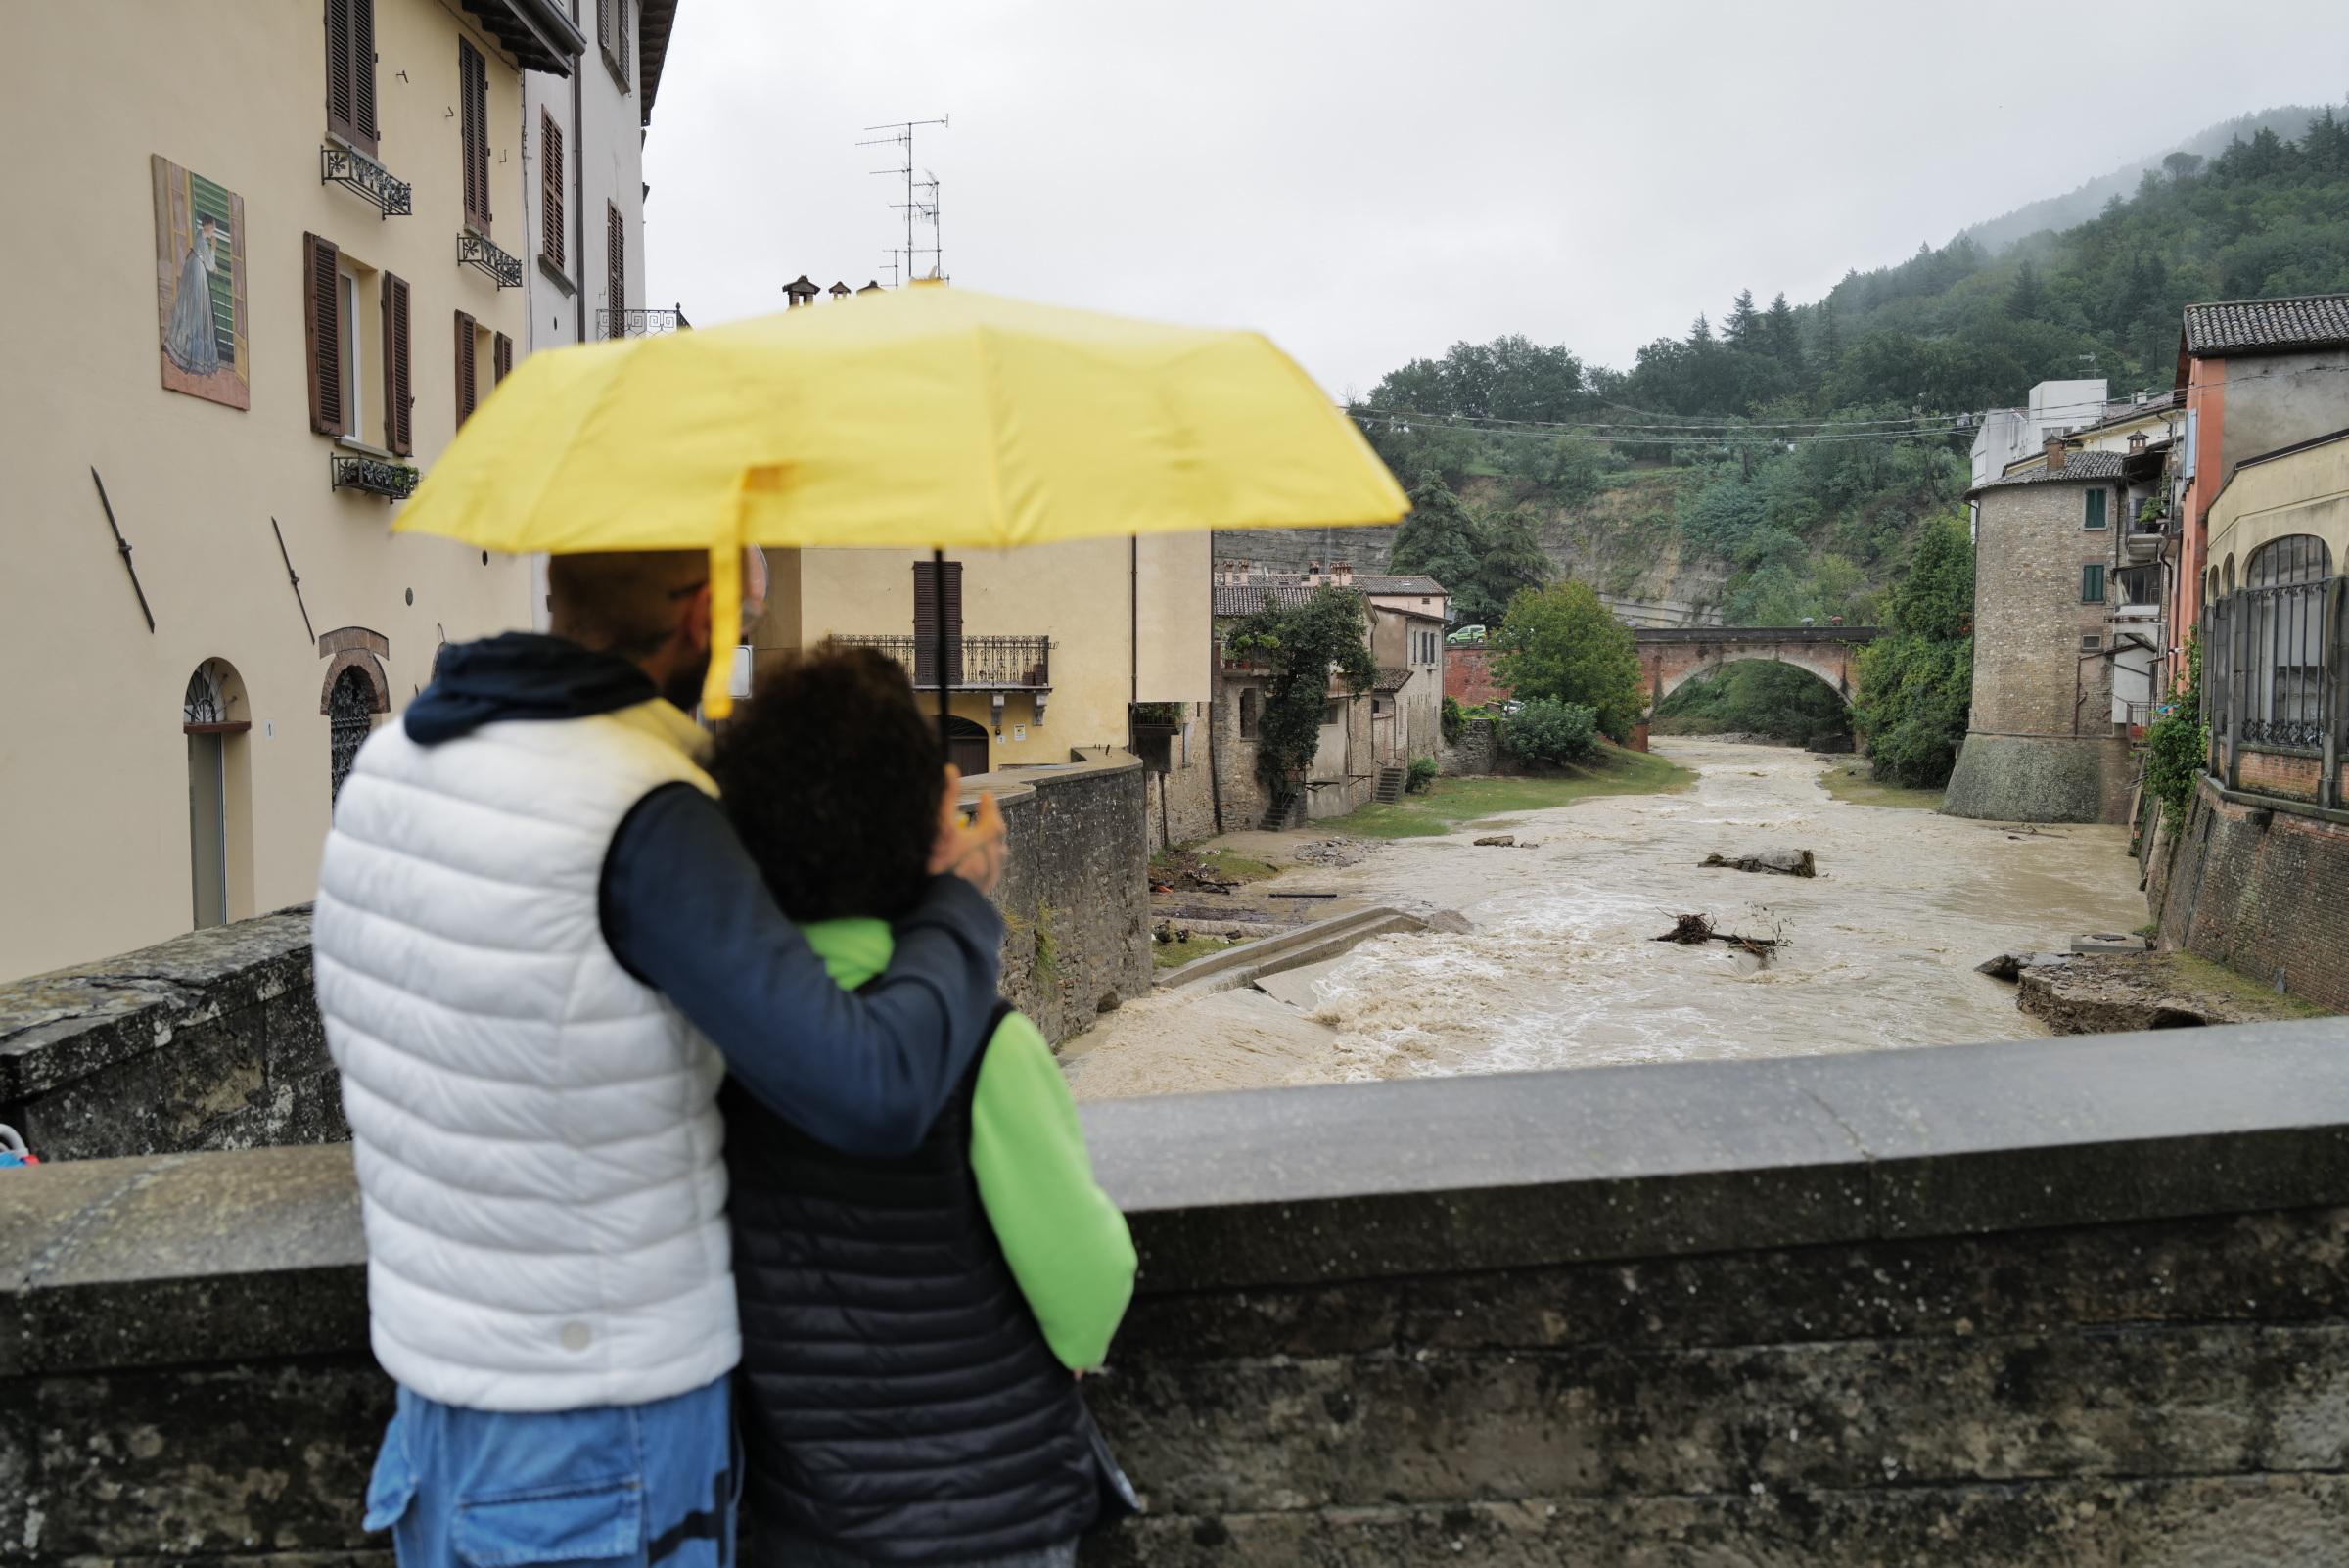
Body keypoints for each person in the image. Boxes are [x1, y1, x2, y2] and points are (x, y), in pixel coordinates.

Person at [313, 549, 1010, 1568]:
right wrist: (959, 904)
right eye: (745, 615)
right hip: (601, 1436)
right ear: (699, 615)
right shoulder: (639, 809)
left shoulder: (389, 763)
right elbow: (873, 1089)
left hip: (437, 1412)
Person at [708, 648, 1138, 1568]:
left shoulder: (714, 1041)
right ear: (926, 825)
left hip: (802, 1518)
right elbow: (1089, 1291)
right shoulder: (986, 1046)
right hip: (994, 1518)